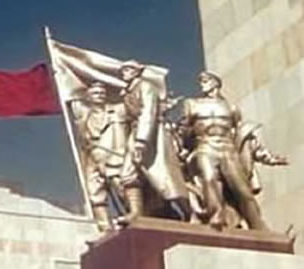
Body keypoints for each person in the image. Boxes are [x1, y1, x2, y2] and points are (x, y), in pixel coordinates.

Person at [181, 71, 287, 230]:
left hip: (228, 149)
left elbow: (243, 135)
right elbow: (184, 130)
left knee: (241, 189)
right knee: (209, 179)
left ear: (216, 83)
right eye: (202, 81)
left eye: (206, 80)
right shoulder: (192, 104)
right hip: (205, 146)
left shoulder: (231, 107)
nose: (203, 83)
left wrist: (266, 157)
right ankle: (215, 216)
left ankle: (257, 223)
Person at [118, 60, 191, 223]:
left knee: (165, 179)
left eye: (128, 69)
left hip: (152, 135)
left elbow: (148, 113)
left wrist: (141, 142)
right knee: (127, 174)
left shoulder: (146, 87)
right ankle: (136, 212)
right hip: (136, 133)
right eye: (123, 70)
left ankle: (189, 211)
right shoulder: (126, 92)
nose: (124, 72)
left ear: (137, 71)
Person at [71, 81, 138, 232]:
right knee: (95, 192)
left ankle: (135, 214)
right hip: (93, 158)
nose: (99, 95)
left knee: (121, 188)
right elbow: (71, 98)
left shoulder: (118, 110)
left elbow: (135, 114)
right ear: (88, 97)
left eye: (102, 93)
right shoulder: (83, 115)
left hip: (115, 155)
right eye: (95, 93)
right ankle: (104, 226)